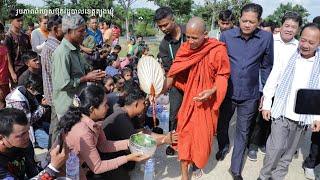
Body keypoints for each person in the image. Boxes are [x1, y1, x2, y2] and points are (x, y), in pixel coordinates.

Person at [162, 16, 230, 180]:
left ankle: (196, 163)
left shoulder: (217, 49)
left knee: (202, 141)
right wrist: (159, 89)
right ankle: (185, 174)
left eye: (195, 37)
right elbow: (173, 72)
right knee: (184, 136)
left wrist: (212, 90)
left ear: (205, 34)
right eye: (188, 37)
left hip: (206, 103)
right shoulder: (185, 48)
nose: (190, 41)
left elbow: (223, 75)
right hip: (189, 100)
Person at [216, 3, 273, 179]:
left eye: (251, 22)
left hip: (250, 94)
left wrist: (265, 93)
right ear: (239, 19)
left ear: (259, 22)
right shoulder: (226, 36)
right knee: (222, 124)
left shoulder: (265, 38)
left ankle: (235, 169)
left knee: (243, 131)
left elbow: (266, 66)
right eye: (244, 20)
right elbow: (218, 64)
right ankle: (223, 145)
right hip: (227, 92)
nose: (247, 24)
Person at [258, 23, 320, 180]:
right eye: (303, 40)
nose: (305, 45)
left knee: (288, 153)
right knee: (274, 149)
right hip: (281, 112)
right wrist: (266, 105)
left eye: (311, 43)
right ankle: (264, 176)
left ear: (319, 43)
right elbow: (273, 80)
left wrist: (317, 118)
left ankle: (277, 177)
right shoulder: (288, 55)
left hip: (302, 119)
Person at [59, 84, 149, 180]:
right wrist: (128, 158)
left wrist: (131, 142)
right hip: (67, 173)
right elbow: (97, 167)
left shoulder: (92, 122)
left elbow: (103, 145)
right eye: (105, 105)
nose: (108, 107)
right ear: (92, 109)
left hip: (77, 167)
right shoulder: (83, 131)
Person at [248, 12, 302, 161]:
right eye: (287, 25)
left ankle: (264, 143)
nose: (289, 29)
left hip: (283, 89)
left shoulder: (298, 46)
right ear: (281, 26)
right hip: (263, 84)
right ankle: (252, 145)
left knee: (273, 118)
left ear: (298, 30)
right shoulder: (269, 40)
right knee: (258, 117)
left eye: (293, 27)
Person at [101, 83, 177, 180]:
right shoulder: (122, 119)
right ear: (136, 104)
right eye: (144, 104)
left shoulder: (124, 113)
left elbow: (143, 132)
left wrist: (165, 137)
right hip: (106, 158)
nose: (145, 106)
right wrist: (164, 141)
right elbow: (141, 144)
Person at [52, 14, 106, 118]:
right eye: (80, 31)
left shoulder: (75, 49)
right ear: (69, 31)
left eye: (84, 30)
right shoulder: (63, 53)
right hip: (67, 108)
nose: (84, 34)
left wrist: (94, 74)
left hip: (76, 105)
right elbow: (62, 84)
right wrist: (86, 78)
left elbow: (83, 70)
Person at [0, 108, 68, 179]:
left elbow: (33, 172)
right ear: (1, 138)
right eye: (22, 134)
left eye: (28, 131)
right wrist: (53, 168)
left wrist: (53, 155)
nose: (27, 137)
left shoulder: (23, 144)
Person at [155, 6, 187, 156]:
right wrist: (159, 91)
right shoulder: (164, 45)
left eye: (165, 24)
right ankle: (173, 142)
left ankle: (190, 143)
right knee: (174, 114)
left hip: (196, 82)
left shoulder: (190, 32)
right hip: (176, 83)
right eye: (160, 26)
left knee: (193, 115)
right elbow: (170, 72)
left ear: (173, 20)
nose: (163, 28)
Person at [6, 75, 49, 149]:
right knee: (50, 142)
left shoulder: (27, 92)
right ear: (30, 87)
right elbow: (27, 121)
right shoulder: (17, 101)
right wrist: (43, 106)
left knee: (55, 131)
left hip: (37, 124)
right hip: (25, 130)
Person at [41, 14, 64, 147]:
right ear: (55, 29)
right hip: (57, 96)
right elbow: (59, 77)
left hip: (56, 95)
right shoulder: (53, 48)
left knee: (56, 127)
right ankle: (52, 158)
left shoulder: (52, 45)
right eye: (63, 28)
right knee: (56, 128)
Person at [4, 9, 32, 78]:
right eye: (18, 20)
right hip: (16, 70)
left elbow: (29, 53)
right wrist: (12, 72)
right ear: (11, 21)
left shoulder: (25, 36)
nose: (21, 23)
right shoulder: (8, 37)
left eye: (22, 20)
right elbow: (8, 57)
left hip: (27, 69)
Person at [0, 22, 16, 109]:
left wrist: (12, 75)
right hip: (0, 83)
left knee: (5, 103)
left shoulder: (4, 47)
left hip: (5, 81)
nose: (3, 34)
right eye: (1, 32)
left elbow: (8, 63)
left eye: (3, 31)